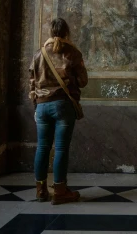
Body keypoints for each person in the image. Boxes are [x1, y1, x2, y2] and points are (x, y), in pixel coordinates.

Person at [29, 18, 88, 204]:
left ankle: (40, 191)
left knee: (42, 147)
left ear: (50, 32)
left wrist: (36, 105)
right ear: (66, 32)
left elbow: (31, 82)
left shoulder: (39, 54)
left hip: (42, 106)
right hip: (63, 105)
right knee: (61, 148)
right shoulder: (72, 53)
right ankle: (60, 191)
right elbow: (83, 81)